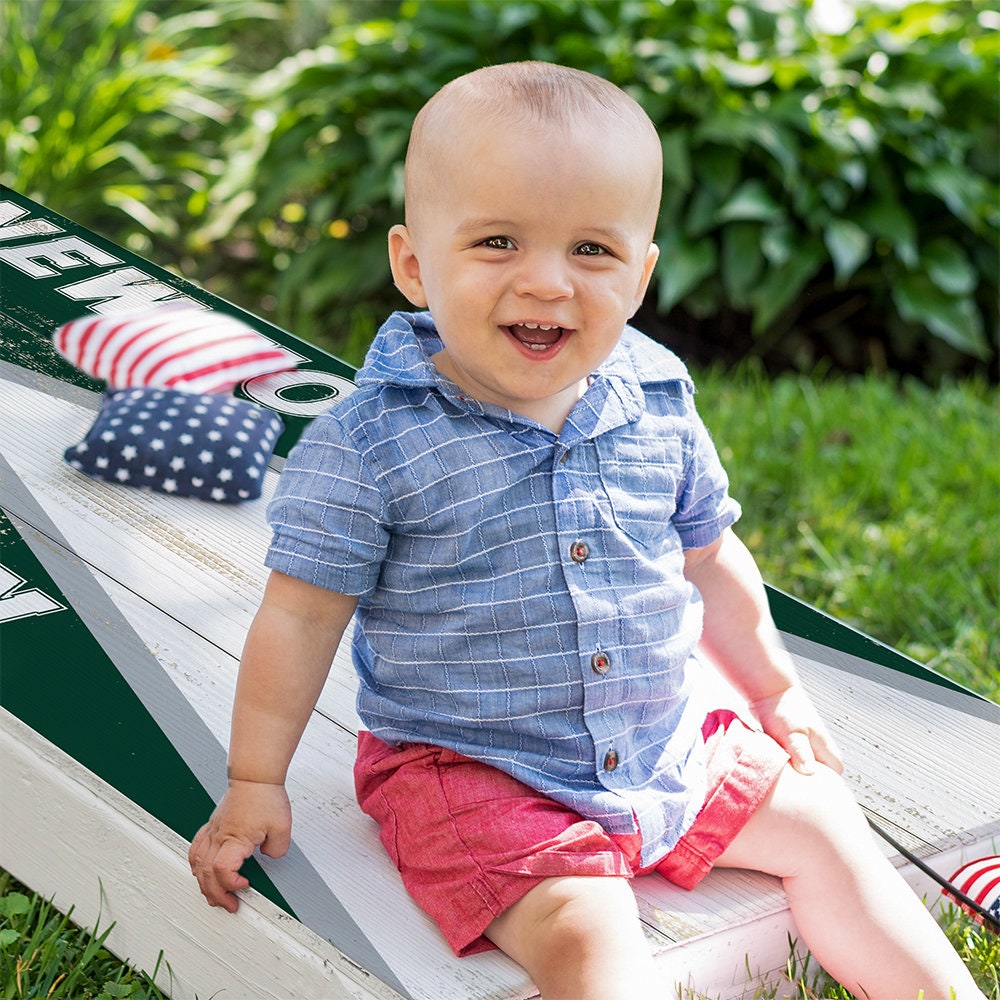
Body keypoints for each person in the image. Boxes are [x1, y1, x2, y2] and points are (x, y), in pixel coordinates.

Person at [189, 62, 983, 1000]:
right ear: (413, 264)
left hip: (663, 743)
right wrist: (255, 780)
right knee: (587, 935)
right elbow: (300, 616)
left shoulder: (656, 396)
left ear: (641, 275)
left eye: (592, 251)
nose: (548, 281)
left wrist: (776, 690)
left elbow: (709, 553)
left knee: (827, 828)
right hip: (478, 771)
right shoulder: (373, 442)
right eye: (496, 240)